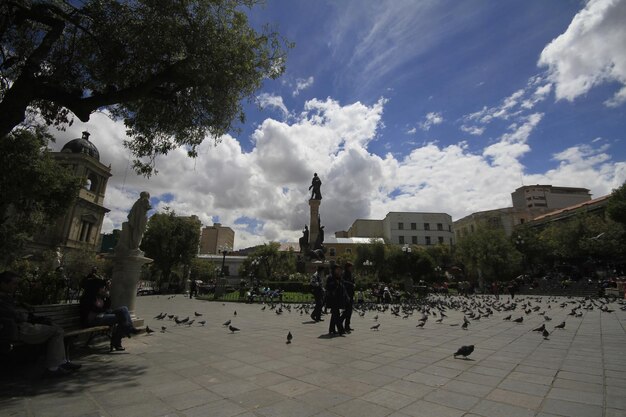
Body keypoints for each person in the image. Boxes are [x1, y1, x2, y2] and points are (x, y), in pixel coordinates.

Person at [0, 271, 82, 377]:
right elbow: (15, 315)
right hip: (17, 330)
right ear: (3, 283)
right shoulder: (2, 299)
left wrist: (22, 308)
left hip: (21, 327)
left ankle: (62, 362)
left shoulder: (7, 296)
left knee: (57, 329)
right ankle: (53, 368)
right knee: (57, 331)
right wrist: (23, 315)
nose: (16, 286)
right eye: (14, 283)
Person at [79, 279, 138, 351]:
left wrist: (107, 297)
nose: (103, 289)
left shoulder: (99, 296)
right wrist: (105, 311)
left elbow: (107, 307)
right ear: (95, 288)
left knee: (124, 309)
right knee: (122, 319)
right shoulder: (87, 298)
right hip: (93, 320)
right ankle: (118, 340)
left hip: (102, 316)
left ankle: (128, 329)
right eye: (102, 287)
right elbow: (95, 309)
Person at [325, 264, 345, 336]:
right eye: (338, 269)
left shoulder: (339, 277)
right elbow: (327, 287)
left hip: (338, 298)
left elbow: (342, 286)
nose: (339, 271)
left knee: (334, 315)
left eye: (340, 269)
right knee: (336, 315)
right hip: (332, 299)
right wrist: (335, 283)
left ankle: (332, 329)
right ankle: (341, 330)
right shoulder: (330, 277)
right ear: (334, 270)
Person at [340, 262, 355, 333]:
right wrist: (351, 284)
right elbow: (342, 281)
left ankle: (347, 326)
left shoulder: (350, 274)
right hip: (346, 294)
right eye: (350, 267)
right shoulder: (344, 273)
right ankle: (340, 322)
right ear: (347, 267)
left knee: (350, 311)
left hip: (351, 294)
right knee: (347, 311)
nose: (352, 268)